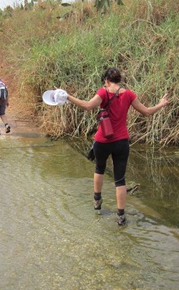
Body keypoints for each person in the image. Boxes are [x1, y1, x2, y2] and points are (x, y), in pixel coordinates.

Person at [58, 67, 169, 226]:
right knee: (120, 179)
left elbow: (88, 106)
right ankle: (121, 216)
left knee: (99, 168)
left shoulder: (104, 92)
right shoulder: (129, 94)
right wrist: (161, 103)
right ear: (119, 80)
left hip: (103, 140)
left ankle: (97, 200)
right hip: (121, 142)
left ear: (107, 80)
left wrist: (67, 96)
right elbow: (147, 112)